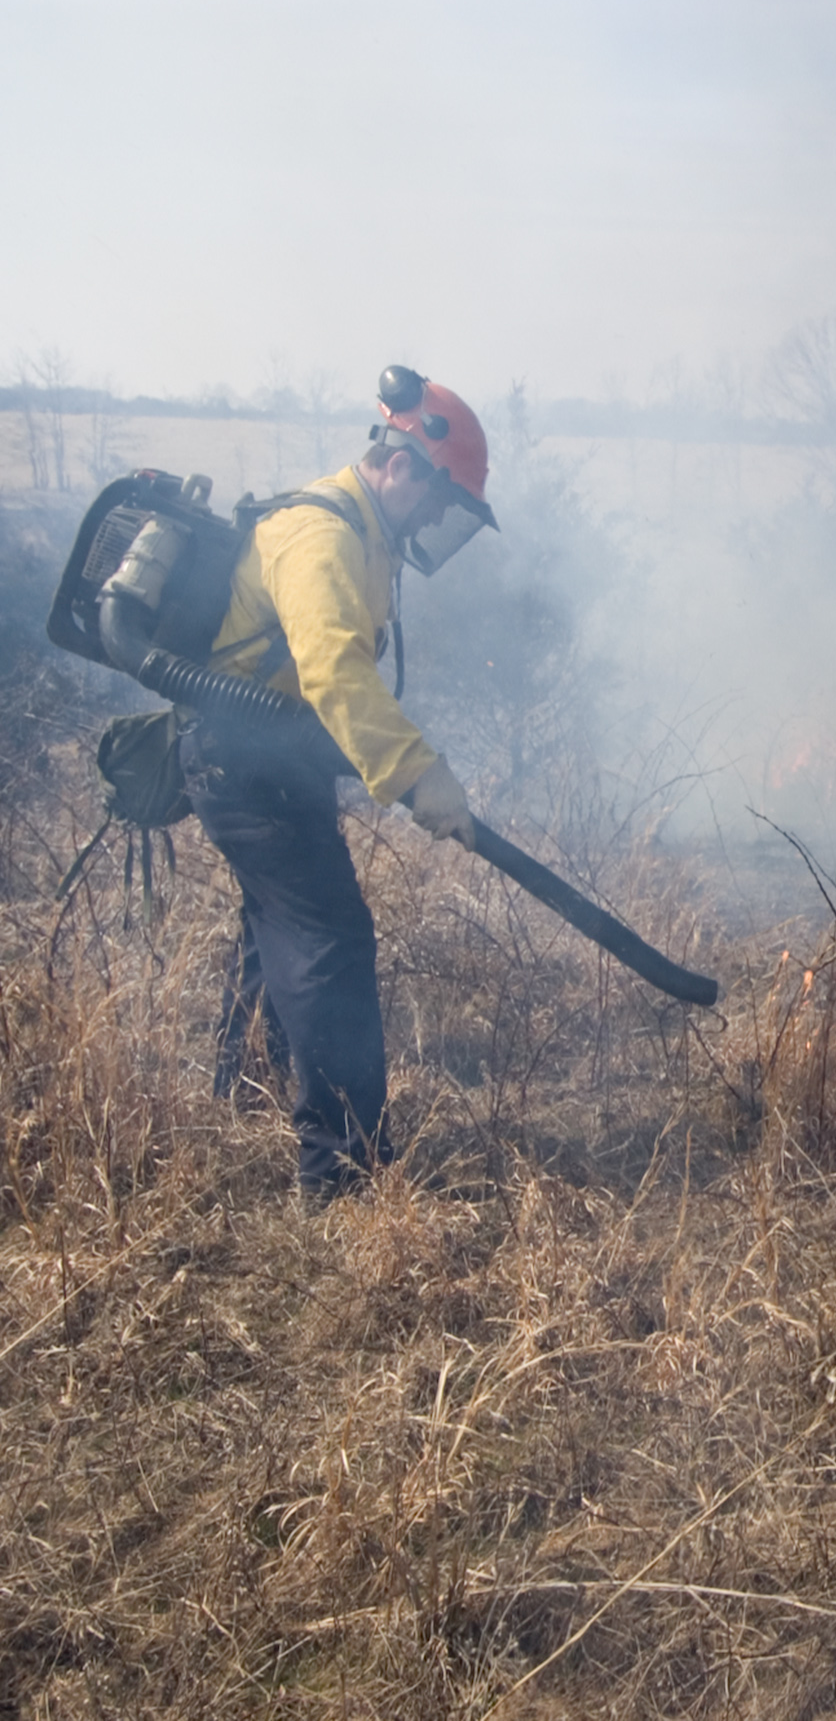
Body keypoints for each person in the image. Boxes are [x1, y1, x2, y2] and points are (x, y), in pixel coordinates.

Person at [180, 367, 497, 1201]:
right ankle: (342, 1173)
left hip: (268, 762)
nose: (436, 518)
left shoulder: (362, 534)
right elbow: (332, 670)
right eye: (439, 499)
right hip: (240, 764)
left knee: (278, 925)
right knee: (330, 942)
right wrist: (420, 776)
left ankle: (242, 1089)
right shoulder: (322, 536)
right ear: (403, 464)